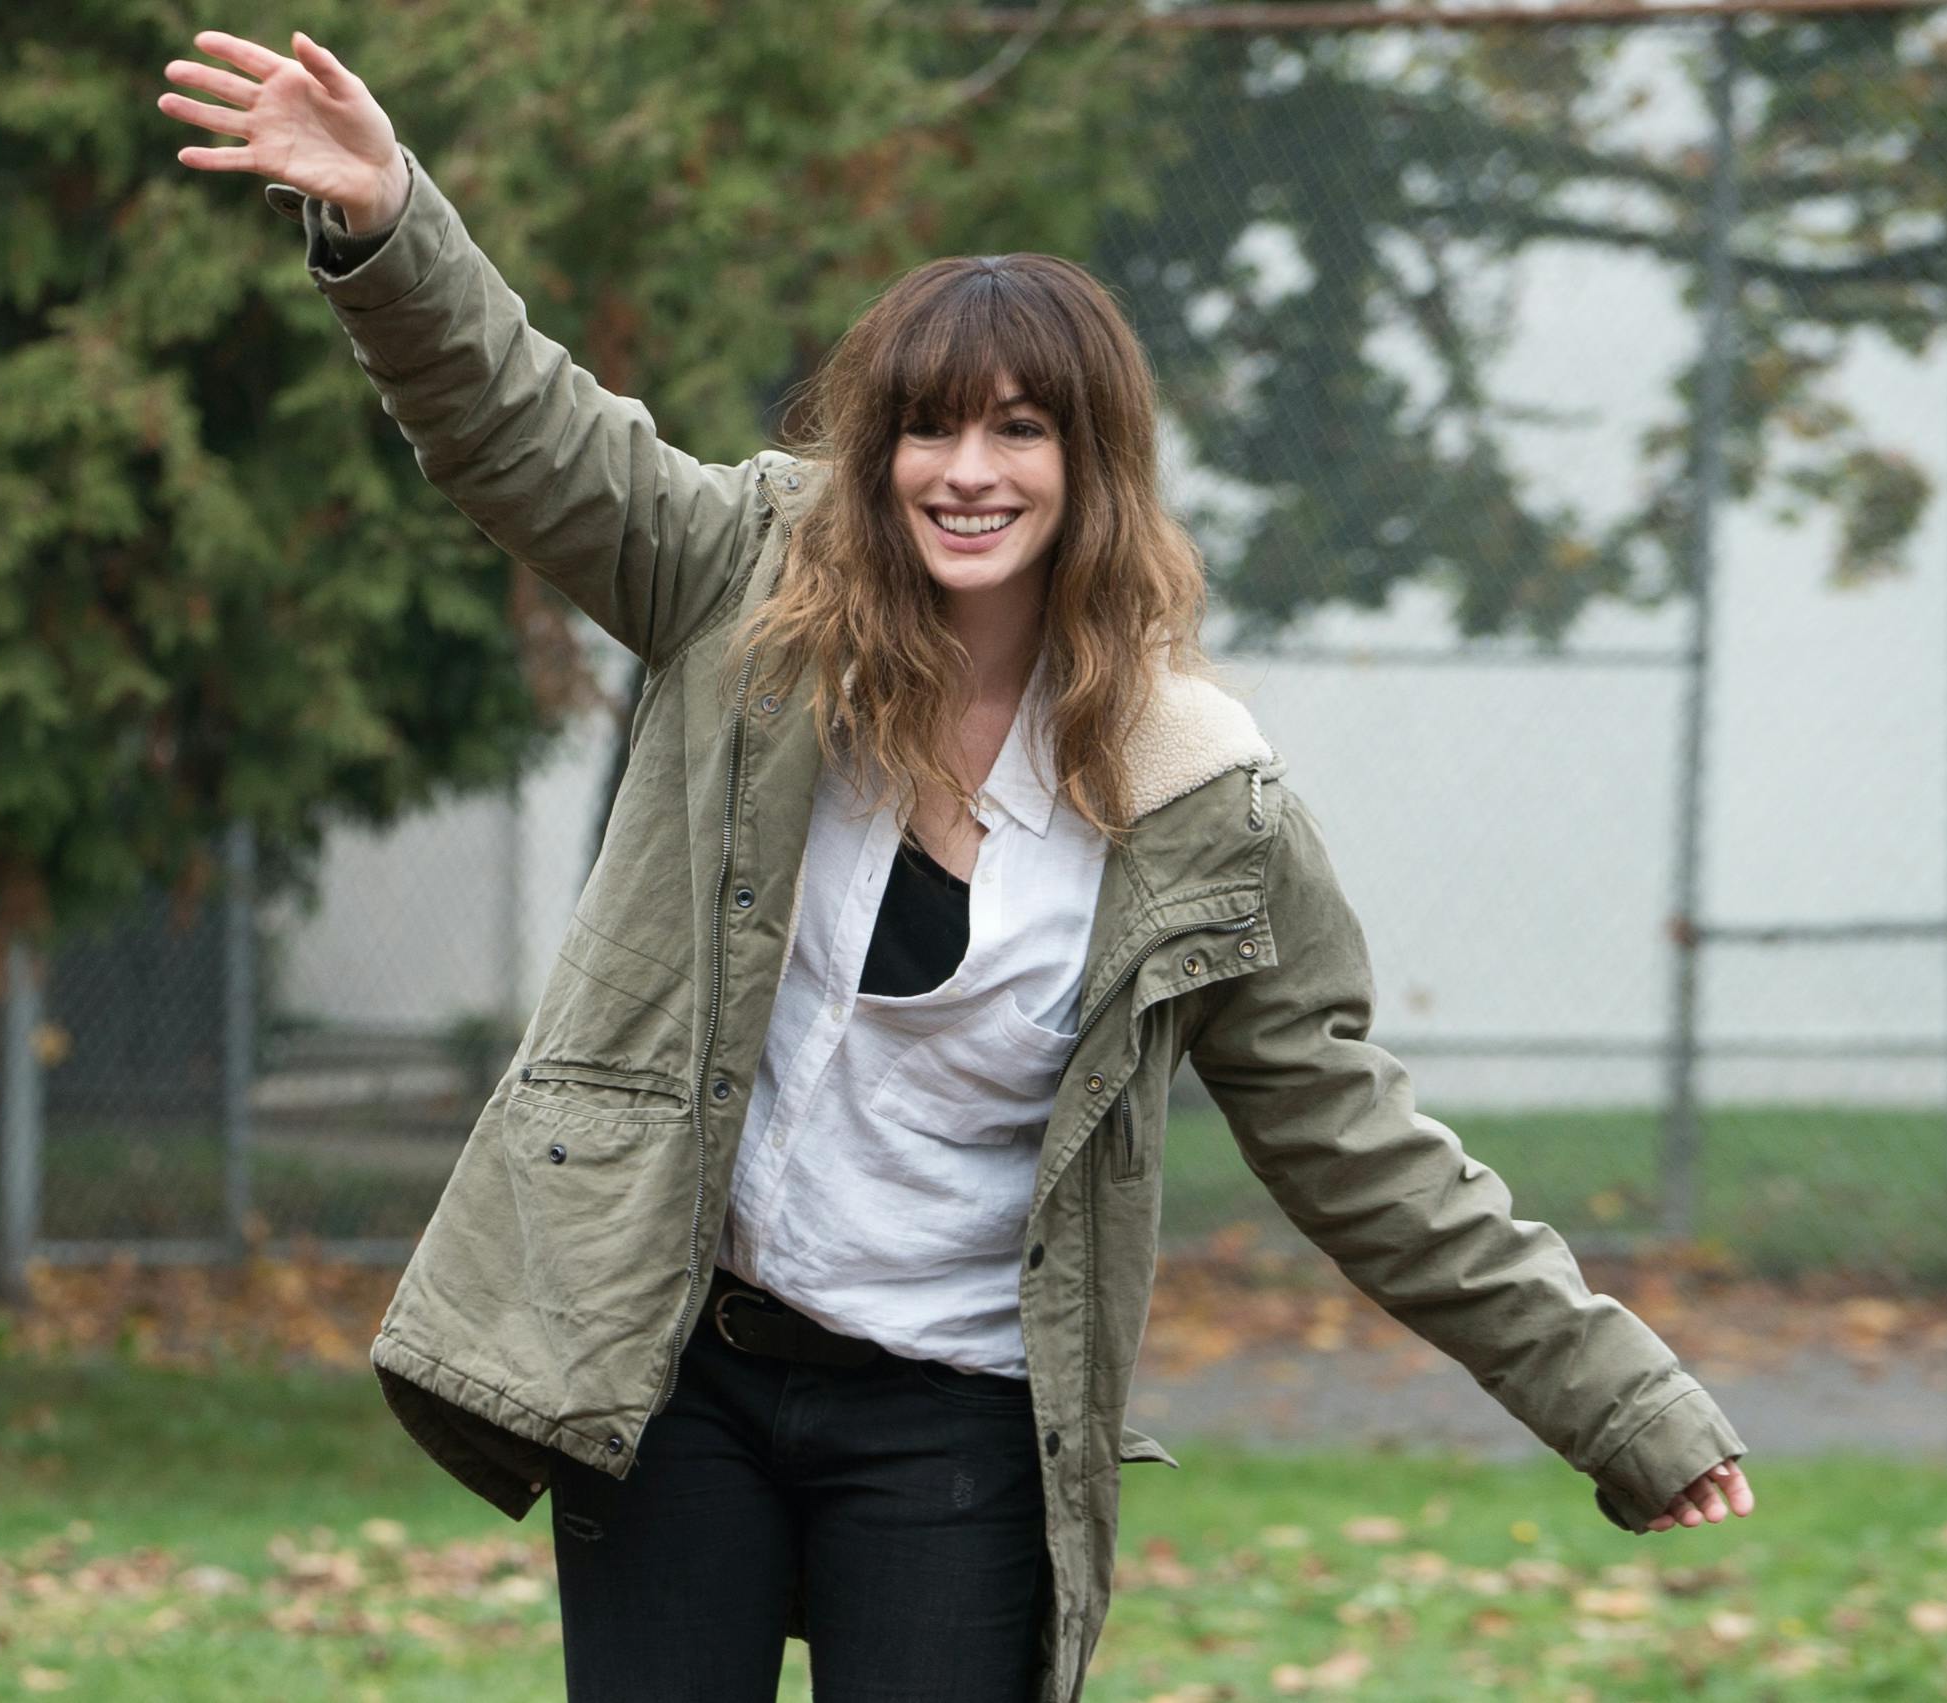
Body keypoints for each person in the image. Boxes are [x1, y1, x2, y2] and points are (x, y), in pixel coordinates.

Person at [162, 28, 1757, 1703]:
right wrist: (388, 222)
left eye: (1018, 430)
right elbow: (521, 428)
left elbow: (1356, 1141)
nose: (968, 472)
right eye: (926, 429)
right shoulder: (746, 586)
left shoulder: (1198, 800)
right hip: (679, 1365)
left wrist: (1617, 1398)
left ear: (1091, 465)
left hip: (957, 1414)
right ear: (876, 451)